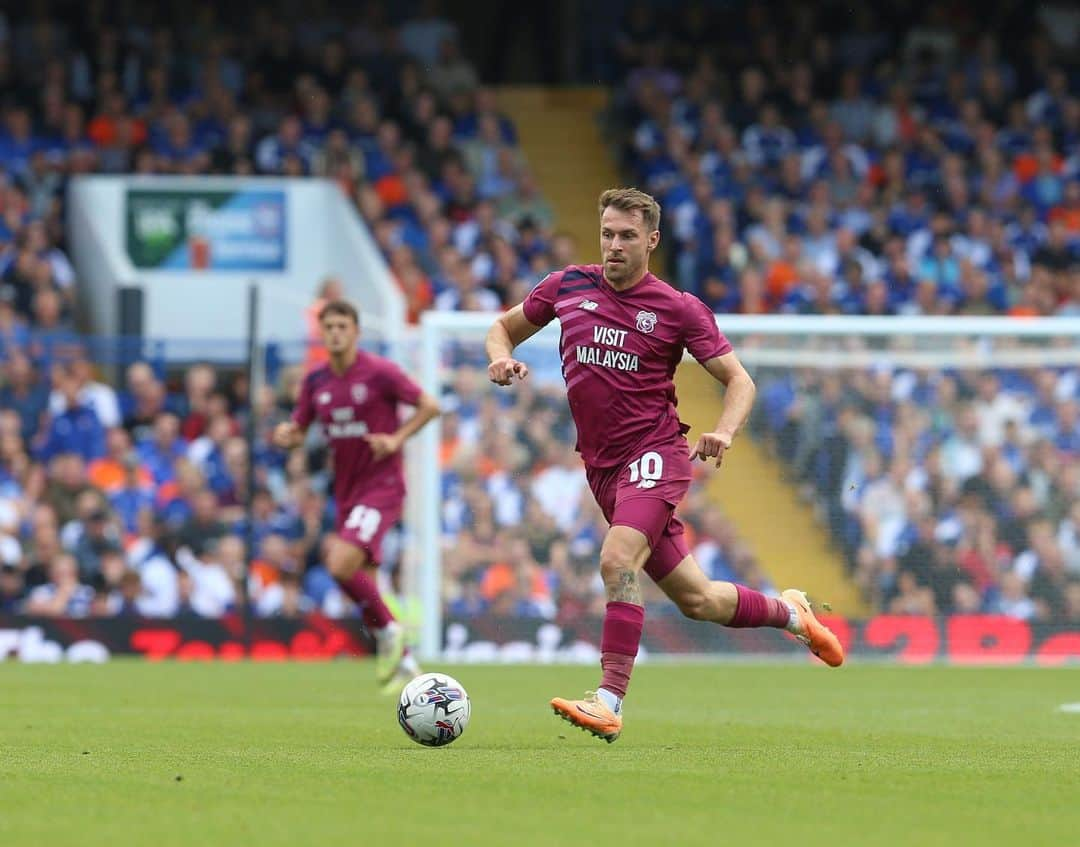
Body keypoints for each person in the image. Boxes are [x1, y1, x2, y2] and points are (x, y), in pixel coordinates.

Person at [485, 188, 844, 743]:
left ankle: (609, 701)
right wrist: (500, 358)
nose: (614, 245)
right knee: (698, 599)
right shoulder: (568, 286)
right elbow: (502, 327)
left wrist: (723, 431)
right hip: (603, 471)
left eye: (627, 236)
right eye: (607, 233)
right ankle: (791, 612)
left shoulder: (676, 307)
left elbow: (739, 381)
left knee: (617, 558)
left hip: (655, 455)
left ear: (651, 240)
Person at [273, 300, 441, 692]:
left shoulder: (379, 373)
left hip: (381, 486)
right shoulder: (316, 382)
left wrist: (396, 439)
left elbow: (430, 406)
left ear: (355, 332)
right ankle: (405, 663)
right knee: (361, 579)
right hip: (348, 492)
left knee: (339, 563)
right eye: (328, 327)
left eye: (341, 326)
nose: (334, 333)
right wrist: (288, 436)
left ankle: (393, 632)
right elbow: (299, 428)